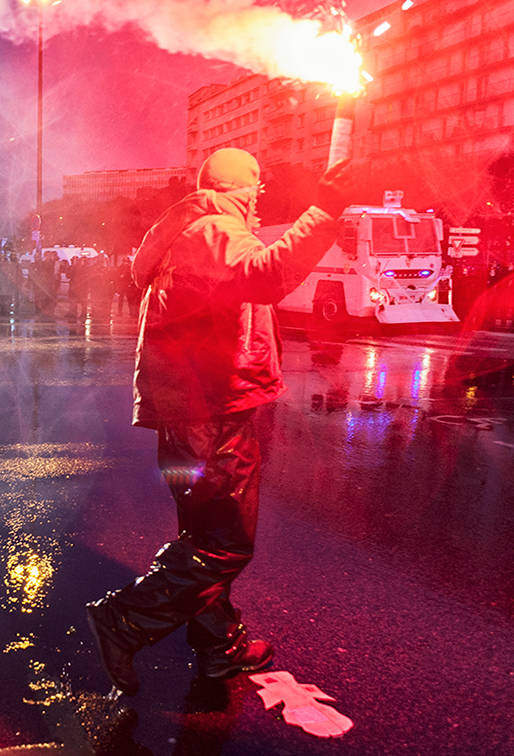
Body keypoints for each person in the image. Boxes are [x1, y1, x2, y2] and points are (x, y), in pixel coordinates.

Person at [85, 148, 354, 696]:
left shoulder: (190, 230)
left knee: (203, 537)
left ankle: (221, 648)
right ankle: (125, 619)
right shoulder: (216, 230)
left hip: (187, 416)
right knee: (223, 545)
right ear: (246, 189)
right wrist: (324, 208)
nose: (260, 200)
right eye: (258, 189)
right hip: (211, 414)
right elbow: (270, 275)